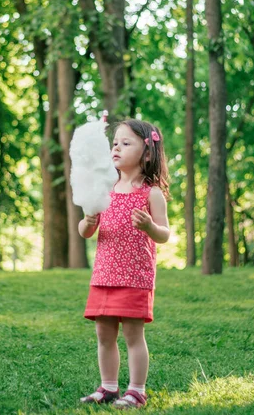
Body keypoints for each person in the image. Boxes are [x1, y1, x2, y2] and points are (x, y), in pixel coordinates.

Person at [78, 119, 170, 410]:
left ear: (146, 153)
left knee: (133, 335)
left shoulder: (151, 193)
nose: (116, 147)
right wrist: (88, 222)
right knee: (104, 335)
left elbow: (165, 234)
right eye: (114, 142)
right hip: (104, 274)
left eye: (125, 143)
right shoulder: (104, 189)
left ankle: (137, 390)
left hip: (135, 277)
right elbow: (85, 231)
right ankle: (108, 388)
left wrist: (150, 227)